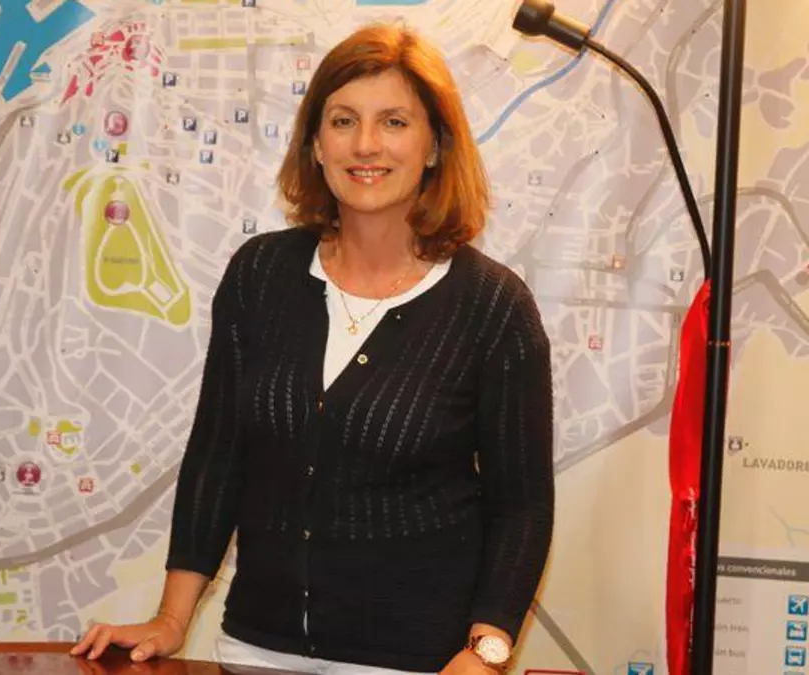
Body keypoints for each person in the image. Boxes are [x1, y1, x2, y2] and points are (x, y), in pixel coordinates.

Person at [72, 22, 554, 675]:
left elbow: (521, 505)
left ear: (436, 146)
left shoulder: (493, 306)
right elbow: (217, 454)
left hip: (418, 661)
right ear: (316, 145)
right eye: (343, 120)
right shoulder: (260, 274)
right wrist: (171, 619)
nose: (365, 144)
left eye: (393, 122)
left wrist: (485, 652)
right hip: (255, 650)